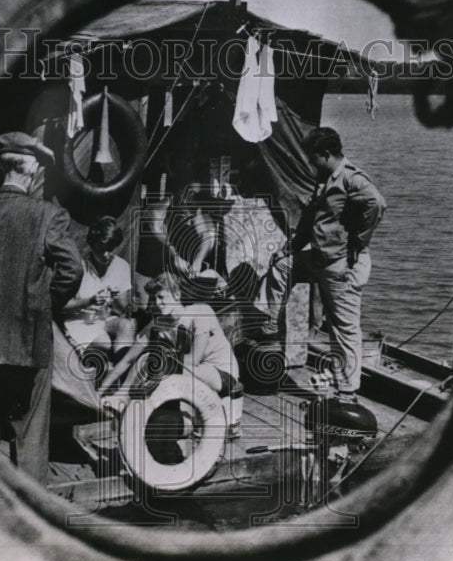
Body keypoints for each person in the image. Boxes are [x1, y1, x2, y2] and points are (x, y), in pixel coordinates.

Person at [257, 126, 385, 419]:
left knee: (344, 329)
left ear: (327, 155)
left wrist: (357, 241)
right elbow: (309, 221)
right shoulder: (324, 178)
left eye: (314, 158)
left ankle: (347, 392)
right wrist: (289, 249)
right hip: (318, 258)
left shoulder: (352, 178)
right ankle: (269, 329)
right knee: (280, 269)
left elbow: (377, 204)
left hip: (342, 265)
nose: (310, 163)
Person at [0, 131, 83, 481]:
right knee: (28, 439)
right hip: (28, 342)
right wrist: (45, 303)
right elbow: (72, 269)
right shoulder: (46, 215)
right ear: (29, 171)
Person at [100, 272, 242, 435]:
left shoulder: (200, 311)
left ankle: (125, 399)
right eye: (154, 299)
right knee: (148, 361)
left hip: (219, 372)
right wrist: (99, 393)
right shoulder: (160, 321)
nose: (157, 304)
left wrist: (162, 362)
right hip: (189, 372)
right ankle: (123, 399)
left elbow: (194, 359)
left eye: (161, 297)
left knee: (152, 360)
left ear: (177, 294)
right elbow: (128, 359)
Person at [61, 216, 136, 359]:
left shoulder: (122, 266)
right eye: (101, 250)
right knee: (105, 342)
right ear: (92, 245)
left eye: (110, 249)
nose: (106, 255)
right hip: (80, 322)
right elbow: (61, 306)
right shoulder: (78, 268)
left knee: (127, 326)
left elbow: (122, 310)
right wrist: (90, 301)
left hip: (106, 320)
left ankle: (121, 373)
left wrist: (115, 298)